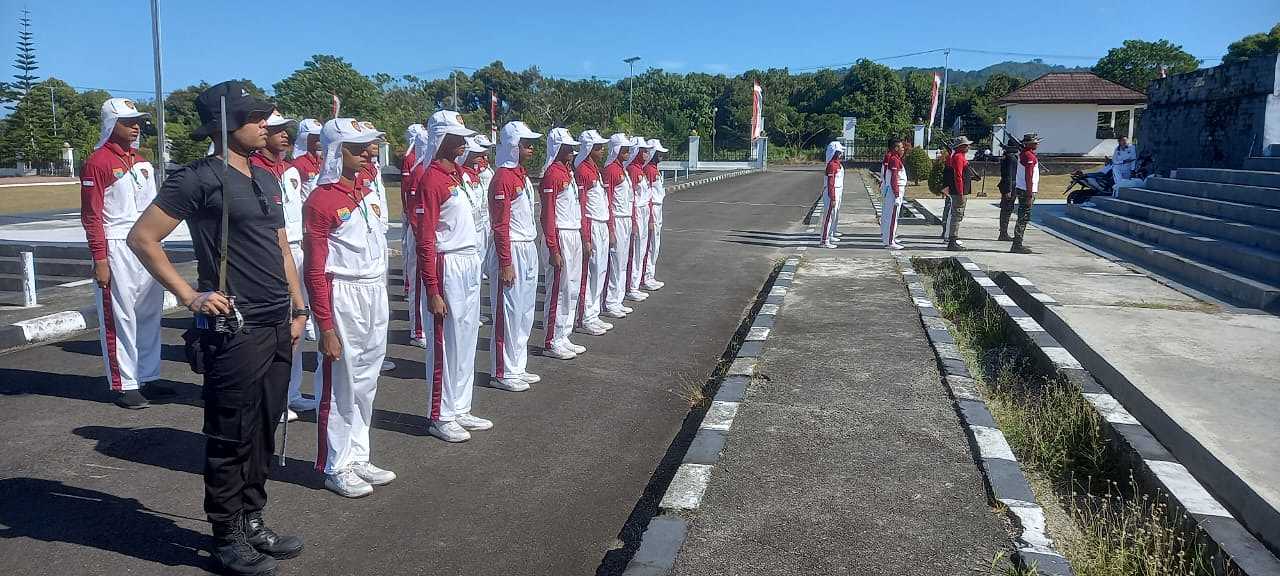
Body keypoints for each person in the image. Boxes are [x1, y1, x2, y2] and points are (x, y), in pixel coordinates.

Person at [127, 81, 306, 575]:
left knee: (266, 427)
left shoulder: (267, 178)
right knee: (231, 433)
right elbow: (142, 238)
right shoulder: (199, 178)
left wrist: (298, 309)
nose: (266, 126)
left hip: (277, 323)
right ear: (227, 124)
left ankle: (252, 519)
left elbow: (283, 250)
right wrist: (190, 295)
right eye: (256, 119)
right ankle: (226, 536)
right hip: (235, 328)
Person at [303, 118, 394, 498]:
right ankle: (335, 464)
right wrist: (324, 325)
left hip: (373, 290)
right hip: (344, 294)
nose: (368, 152)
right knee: (339, 381)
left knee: (367, 380)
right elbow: (315, 269)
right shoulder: (321, 200)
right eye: (357, 147)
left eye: (368, 146)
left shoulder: (366, 190)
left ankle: (359, 454)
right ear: (336, 150)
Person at [80, 97, 169, 409]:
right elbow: (91, 216)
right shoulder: (98, 162)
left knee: (148, 312)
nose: (135, 127)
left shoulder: (141, 161)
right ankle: (125, 383)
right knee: (120, 317)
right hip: (117, 244)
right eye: (128, 121)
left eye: (137, 121)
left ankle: (149, 375)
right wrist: (100, 259)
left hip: (146, 244)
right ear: (110, 124)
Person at [415, 110, 493, 439]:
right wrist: (432, 288)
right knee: (445, 343)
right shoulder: (431, 179)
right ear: (440, 139)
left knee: (466, 338)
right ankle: (441, 414)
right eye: (456, 137)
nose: (463, 143)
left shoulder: (458, 175)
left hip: (468, 260)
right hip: (446, 264)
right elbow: (426, 237)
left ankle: (461, 406)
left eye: (463, 137)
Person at [249, 111, 317, 421]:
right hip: (269, 252)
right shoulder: (253, 170)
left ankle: (291, 392)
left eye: (286, 130)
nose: (284, 135)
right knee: (273, 325)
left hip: (296, 250)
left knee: (296, 324)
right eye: (277, 130)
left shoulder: (290, 171)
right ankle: (270, 397)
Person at [489, 121, 545, 385]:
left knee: (524, 311)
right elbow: (500, 224)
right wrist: (505, 262)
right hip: (512, 247)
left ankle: (517, 365)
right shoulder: (502, 177)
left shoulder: (521, 175)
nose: (531, 147)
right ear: (513, 146)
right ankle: (503, 371)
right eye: (526, 143)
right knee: (508, 313)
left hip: (527, 246)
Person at [539, 128, 586, 360]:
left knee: (572, 287)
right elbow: (547, 215)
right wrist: (552, 247)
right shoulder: (552, 174)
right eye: (567, 147)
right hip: (560, 235)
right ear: (557, 148)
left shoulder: (568, 172)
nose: (572, 151)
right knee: (558, 290)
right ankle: (551, 340)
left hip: (573, 232)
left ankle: (564, 334)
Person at [573, 129, 614, 336]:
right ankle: (585, 316)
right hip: (592, 225)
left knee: (601, 270)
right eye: (598, 147)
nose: (602, 150)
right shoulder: (582, 170)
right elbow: (582, 206)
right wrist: (586, 236)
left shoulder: (594, 169)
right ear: (589, 149)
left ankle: (594, 313)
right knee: (590, 272)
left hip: (602, 223)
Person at [602, 133, 634, 319]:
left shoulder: (621, 169)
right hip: (618, 219)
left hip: (626, 218)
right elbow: (608, 201)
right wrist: (611, 227)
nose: (628, 153)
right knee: (615, 261)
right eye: (624, 150)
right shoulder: (610, 170)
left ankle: (618, 298)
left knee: (622, 261)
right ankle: (611, 301)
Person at [401, 123, 426, 347]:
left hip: (430, 233)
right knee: (418, 282)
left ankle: (423, 325)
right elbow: (412, 203)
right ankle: (417, 330)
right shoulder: (418, 169)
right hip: (418, 231)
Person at [625, 137, 653, 302]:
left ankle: (635, 283)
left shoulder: (639, 169)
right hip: (637, 212)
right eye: (643, 150)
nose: (646, 153)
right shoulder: (633, 170)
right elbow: (633, 198)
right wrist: (635, 220)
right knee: (635, 250)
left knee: (641, 249)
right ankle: (631, 286)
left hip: (644, 212)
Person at [642, 138, 668, 290]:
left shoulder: (654, 169)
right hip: (653, 209)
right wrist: (651, 217)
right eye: (658, 153)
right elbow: (649, 196)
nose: (661, 156)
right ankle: (646, 276)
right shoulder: (649, 170)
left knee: (655, 244)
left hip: (658, 208)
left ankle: (650, 274)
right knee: (650, 244)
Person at [945, 136, 979, 251]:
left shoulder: (961, 156)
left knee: (958, 215)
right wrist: (960, 192)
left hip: (962, 190)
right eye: (966, 145)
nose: (968, 147)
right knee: (957, 215)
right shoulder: (959, 157)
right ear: (961, 147)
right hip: (959, 191)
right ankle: (952, 240)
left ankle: (953, 239)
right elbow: (958, 176)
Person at [1010, 133, 1041, 254]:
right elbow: (1029, 176)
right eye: (1035, 142)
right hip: (1026, 189)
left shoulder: (1026, 154)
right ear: (1029, 144)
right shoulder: (1029, 156)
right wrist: (1029, 193)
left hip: (1023, 188)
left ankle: (1017, 242)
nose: (1037, 144)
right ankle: (1017, 244)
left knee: (1023, 216)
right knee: (1023, 217)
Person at [880, 140, 906, 249]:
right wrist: (896, 194)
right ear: (896, 148)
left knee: (889, 216)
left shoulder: (895, 159)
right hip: (895, 191)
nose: (903, 149)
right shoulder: (894, 160)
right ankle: (890, 242)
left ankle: (889, 238)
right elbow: (894, 178)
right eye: (901, 147)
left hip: (893, 190)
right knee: (892, 217)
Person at [996, 136, 1023, 241]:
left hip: (1010, 185)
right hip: (1009, 186)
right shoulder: (1010, 158)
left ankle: (1003, 232)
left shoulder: (1010, 156)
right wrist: (1008, 190)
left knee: (1008, 209)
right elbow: (1008, 175)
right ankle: (1003, 233)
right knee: (1006, 209)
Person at [819, 140, 844, 249]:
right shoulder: (832, 165)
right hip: (831, 193)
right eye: (839, 152)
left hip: (836, 191)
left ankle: (829, 236)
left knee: (832, 215)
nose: (841, 154)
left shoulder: (836, 164)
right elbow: (831, 183)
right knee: (828, 217)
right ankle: (824, 240)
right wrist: (833, 198)